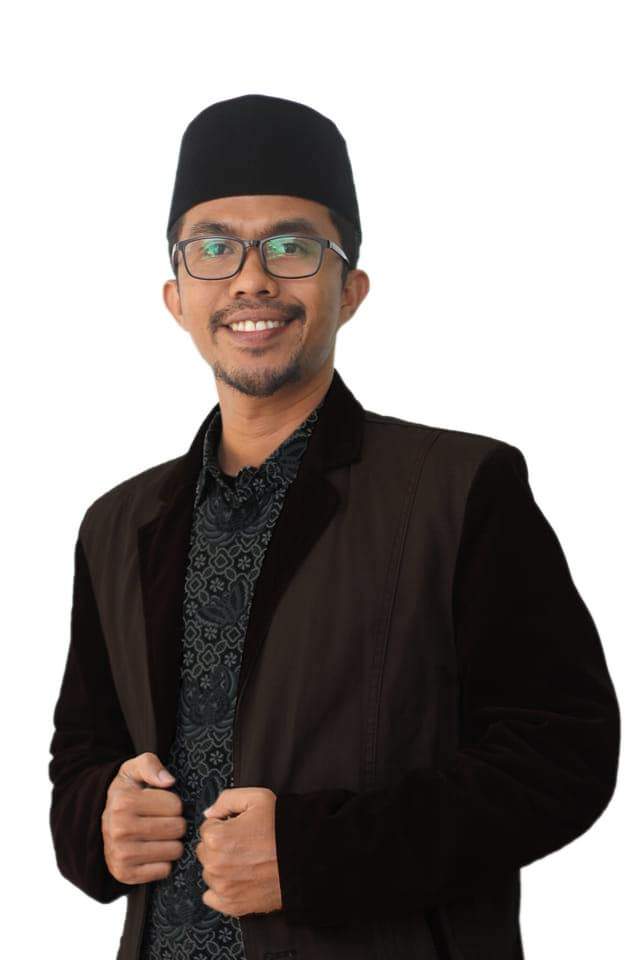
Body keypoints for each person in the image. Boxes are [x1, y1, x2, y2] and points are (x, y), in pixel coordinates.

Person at [48, 94, 620, 960]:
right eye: (214, 248)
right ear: (176, 296)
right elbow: (83, 755)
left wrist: (319, 855)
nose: (251, 280)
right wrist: (101, 822)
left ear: (349, 290)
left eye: (291, 246)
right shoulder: (119, 524)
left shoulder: (460, 489)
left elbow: (562, 755)